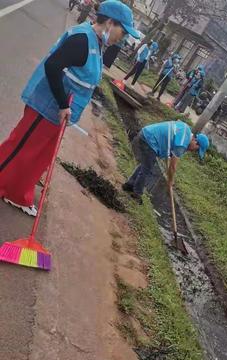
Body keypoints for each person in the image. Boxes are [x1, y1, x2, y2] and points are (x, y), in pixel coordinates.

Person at [0, 0, 139, 216]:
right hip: (47, 108)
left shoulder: (97, 43)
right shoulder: (82, 40)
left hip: (58, 114)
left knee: (38, 155)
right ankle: (7, 184)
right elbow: (53, 66)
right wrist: (64, 104)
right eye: (123, 32)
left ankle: (18, 191)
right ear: (111, 23)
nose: (123, 39)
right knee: (21, 148)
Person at [122, 121, 209, 203]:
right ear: (195, 142)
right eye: (196, 150)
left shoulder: (185, 129)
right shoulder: (182, 143)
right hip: (150, 139)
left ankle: (129, 185)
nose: (193, 151)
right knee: (147, 170)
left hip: (148, 134)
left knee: (146, 165)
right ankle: (137, 193)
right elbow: (173, 166)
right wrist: (170, 181)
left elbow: (170, 140)